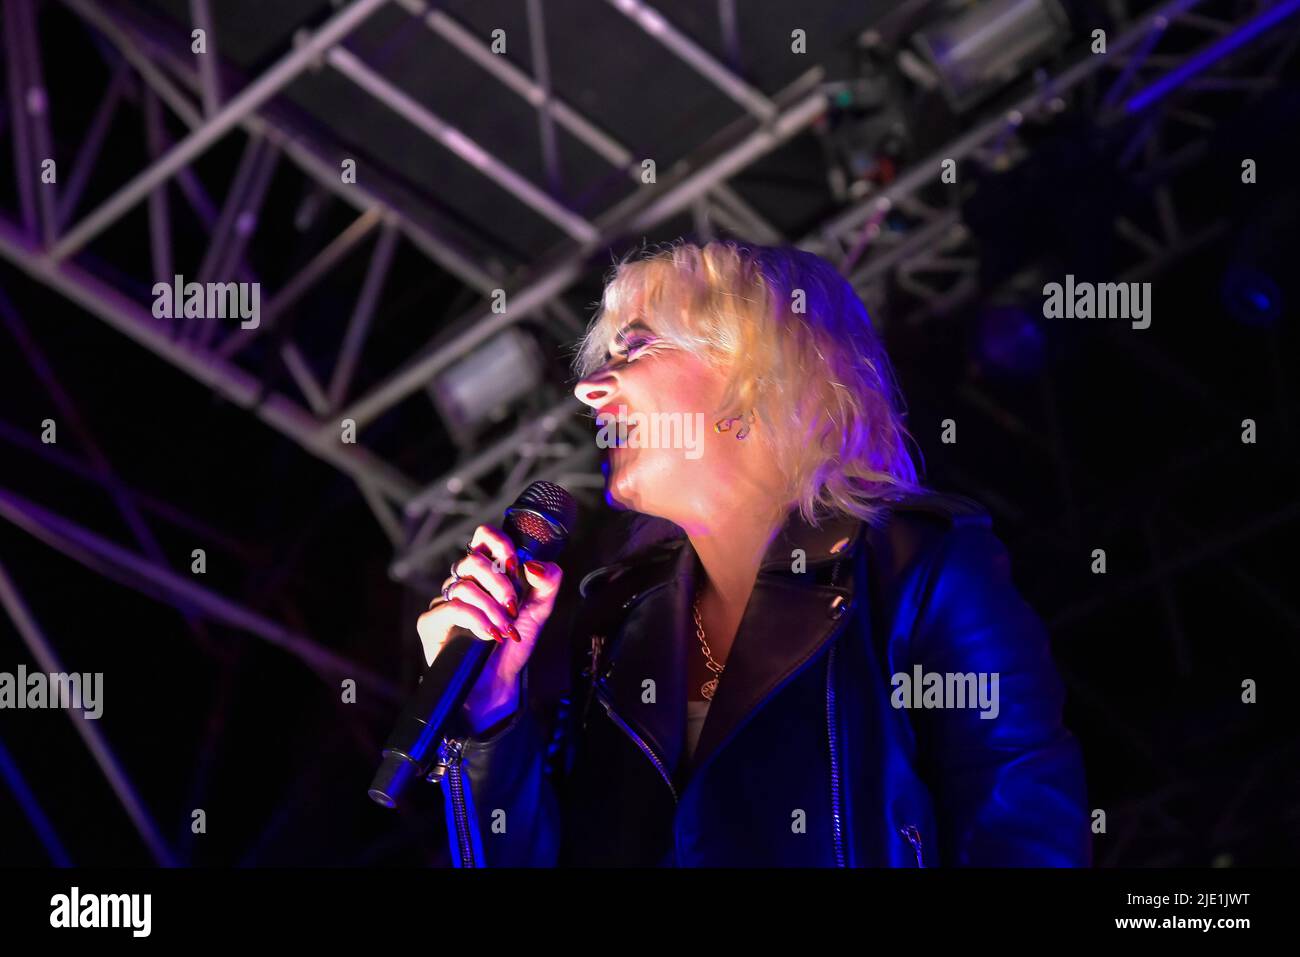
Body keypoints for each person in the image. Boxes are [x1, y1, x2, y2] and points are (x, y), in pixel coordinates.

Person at [416, 239, 1090, 867]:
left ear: (756, 378)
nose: (591, 388)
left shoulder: (918, 573)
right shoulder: (617, 630)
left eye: (636, 348)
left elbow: (1027, 840)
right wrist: (488, 711)